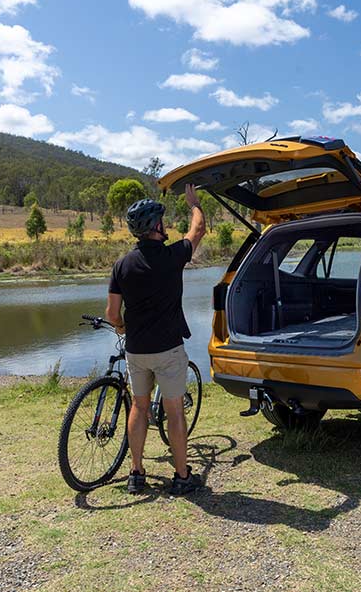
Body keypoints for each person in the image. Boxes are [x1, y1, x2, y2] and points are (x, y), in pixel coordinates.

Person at [105, 183, 206, 495]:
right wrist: (194, 203)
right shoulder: (172, 256)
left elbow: (112, 313)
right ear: (157, 226)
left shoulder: (122, 265)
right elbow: (198, 229)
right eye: (162, 222)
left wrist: (123, 328)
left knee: (139, 406)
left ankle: (136, 473)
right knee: (175, 411)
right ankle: (182, 477)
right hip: (169, 348)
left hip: (137, 350)